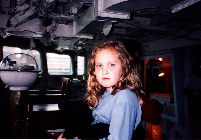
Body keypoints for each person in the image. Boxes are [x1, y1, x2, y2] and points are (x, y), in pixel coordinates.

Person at [59, 40, 145, 140]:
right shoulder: (105, 94)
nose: (104, 71)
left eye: (111, 65)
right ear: (94, 71)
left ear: (124, 68)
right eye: (99, 66)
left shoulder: (124, 98)